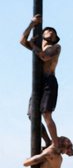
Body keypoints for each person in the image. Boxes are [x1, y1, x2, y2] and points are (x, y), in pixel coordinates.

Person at [20, 14, 62, 148]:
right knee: (32, 115)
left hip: (49, 81)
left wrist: (33, 45)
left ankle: (55, 144)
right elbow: (22, 40)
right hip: (38, 83)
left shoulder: (56, 47)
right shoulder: (36, 47)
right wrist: (32, 24)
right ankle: (47, 141)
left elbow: (44, 57)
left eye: (54, 33)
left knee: (46, 114)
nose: (51, 33)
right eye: (49, 30)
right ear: (42, 34)